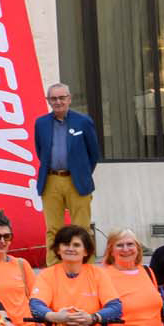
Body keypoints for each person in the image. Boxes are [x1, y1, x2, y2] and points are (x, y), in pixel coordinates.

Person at [33, 83, 100, 243]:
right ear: (48, 100)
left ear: (69, 99)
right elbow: (40, 151)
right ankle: (54, 267)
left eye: (62, 98)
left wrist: (81, 171)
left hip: (77, 180)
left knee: (81, 229)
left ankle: (84, 267)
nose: (58, 102)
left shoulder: (83, 121)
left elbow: (94, 153)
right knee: (53, 230)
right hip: (51, 180)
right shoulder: (40, 123)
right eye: (54, 98)